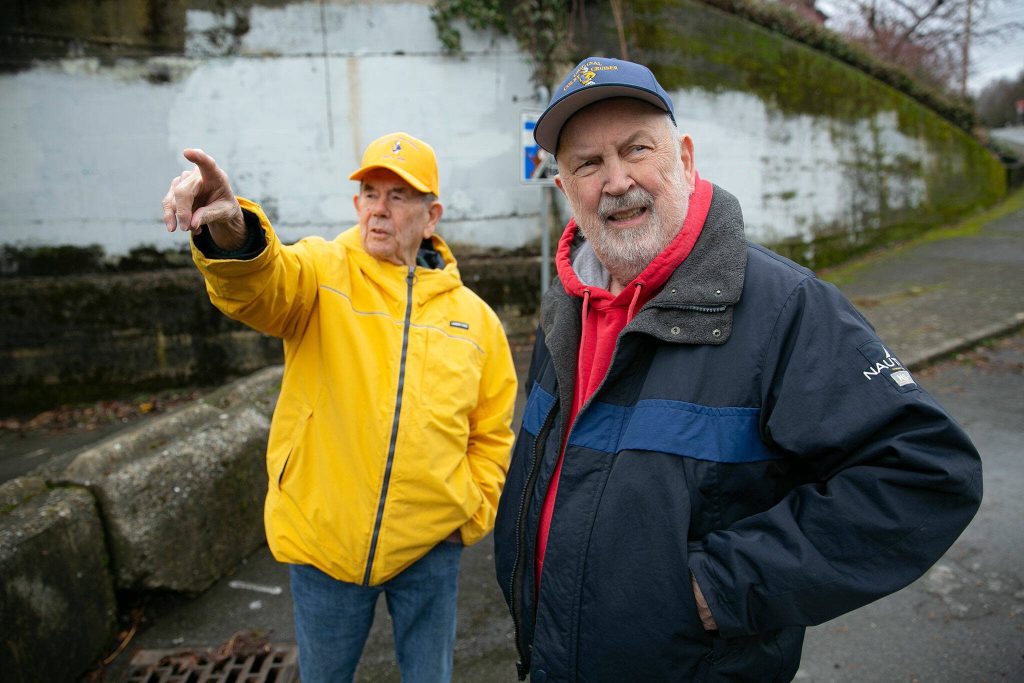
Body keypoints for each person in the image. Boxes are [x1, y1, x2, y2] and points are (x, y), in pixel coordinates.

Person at [493, 57, 983, 682]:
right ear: (565, 188)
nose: (616, 181)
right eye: (588, 163)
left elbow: (925, 474)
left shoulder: (784, 307)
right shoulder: (565, 304)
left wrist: (721, 585)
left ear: (686, 158)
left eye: (636, 149)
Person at [161, 132, 518, 682]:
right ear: (356, 205)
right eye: (370, 193)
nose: (379, 209)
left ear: (432, 215)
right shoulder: (322, 272)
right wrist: (232, 231)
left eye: (399, 196)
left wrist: (470, 514)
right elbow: (262, 285)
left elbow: (492, 432)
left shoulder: (476, 320)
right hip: (324, 545)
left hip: (431, 548)